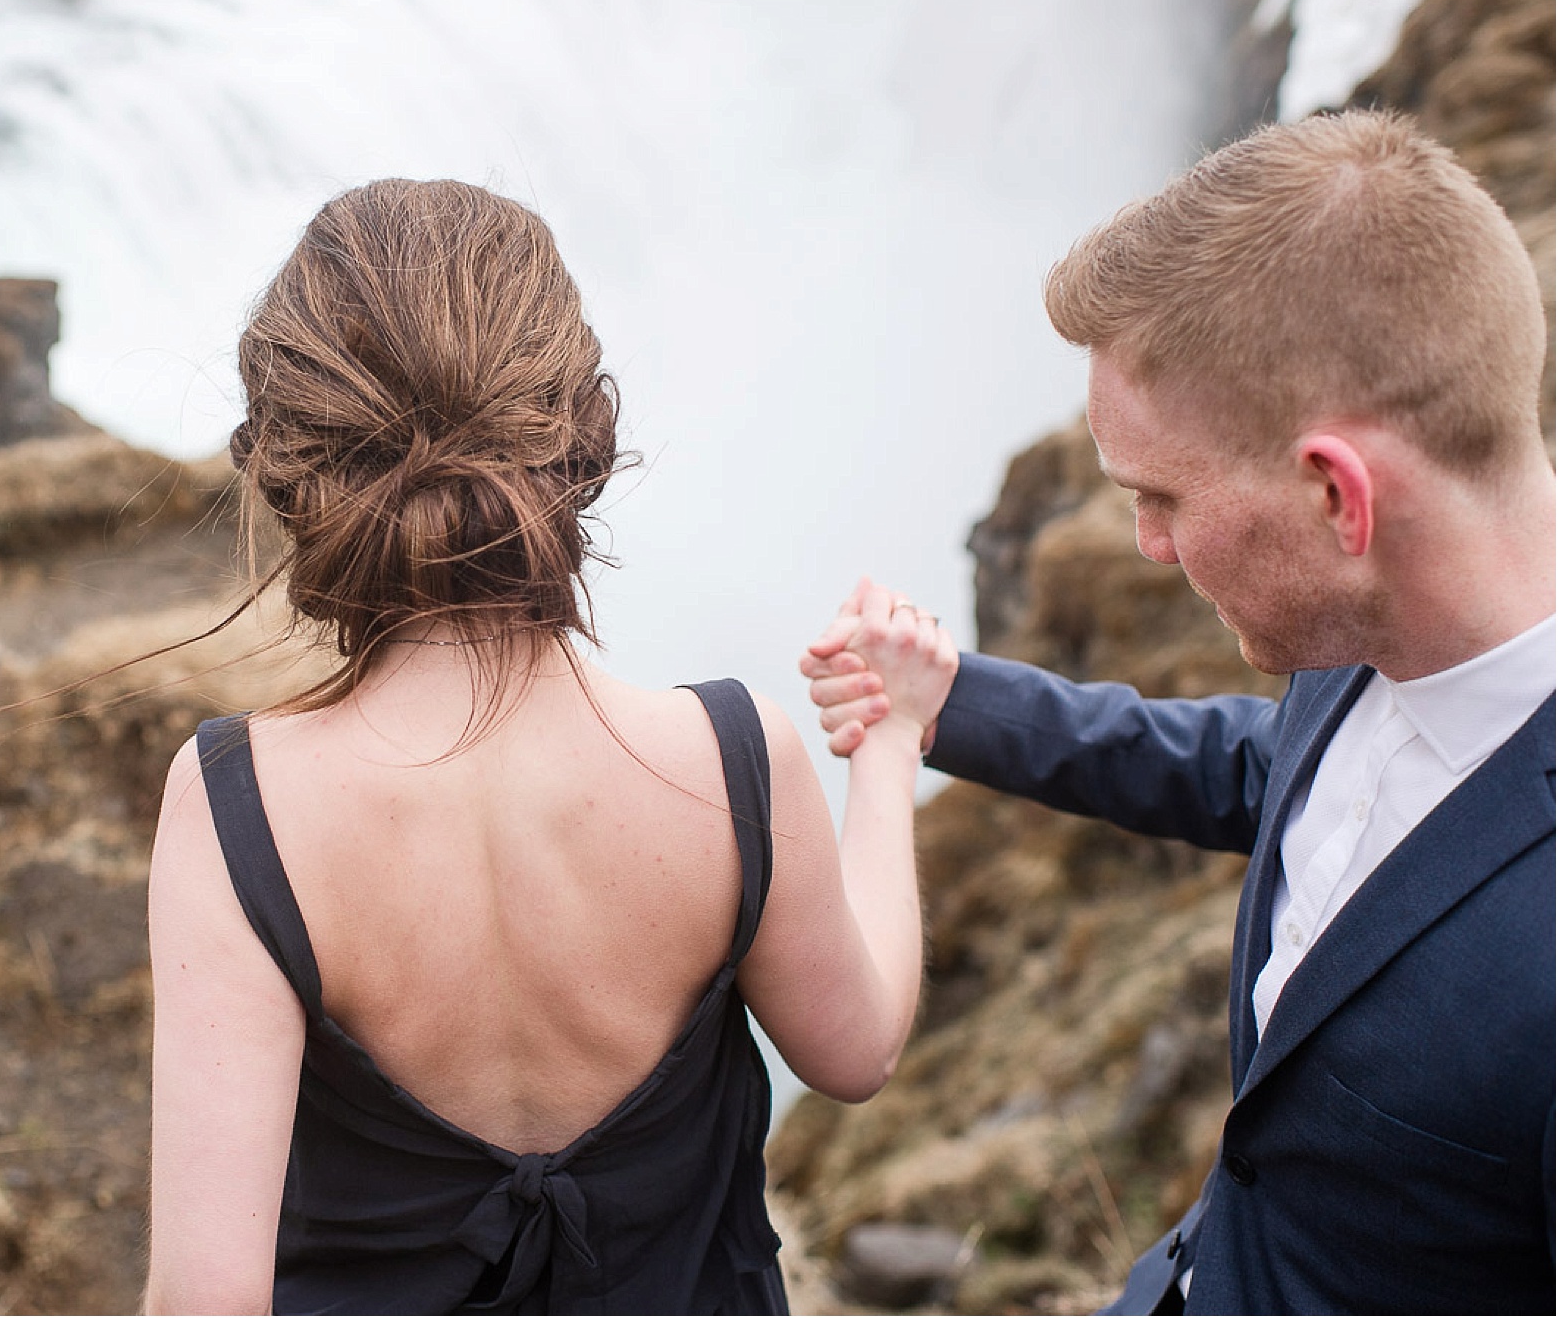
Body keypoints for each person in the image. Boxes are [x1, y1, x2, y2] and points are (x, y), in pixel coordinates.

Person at [142, 178, 956, 1313]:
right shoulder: (732, 756)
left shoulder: (240, 803)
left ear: (288, 465)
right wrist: (889, 744)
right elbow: (855, 1050)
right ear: (583, 438)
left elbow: (203, 1304)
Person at [803, 109, 1555, 1313]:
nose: (1146, 547)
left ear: (1334, 494)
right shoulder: (1379, 627)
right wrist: (951, 702)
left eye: (1158, 497)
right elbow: (1266, 771)